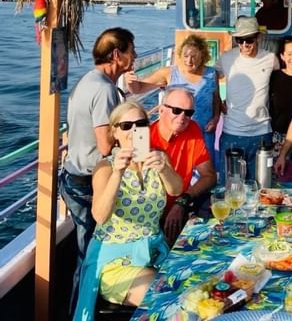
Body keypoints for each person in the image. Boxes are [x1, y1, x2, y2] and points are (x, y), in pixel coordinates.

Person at [73, 101, 183, 321]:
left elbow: (177, 189)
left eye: (140, 124)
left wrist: (163, 168)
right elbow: (100, 216)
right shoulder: (105, 167)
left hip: (153, 252)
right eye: (126, 126)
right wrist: (118, 173)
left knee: (194, 284)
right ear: (115, 132)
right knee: (166, 297)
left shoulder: (158, 158)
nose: (134, 131)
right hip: (115, 262)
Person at [59, 27, 136, 312]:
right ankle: (79, 312)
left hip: (73, 176)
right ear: (117, 54)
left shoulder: (89, 81)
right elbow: (105, 146)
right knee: (90, 256)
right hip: (87, 184)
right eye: (131, 50)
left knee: (87, 253)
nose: (135, 55)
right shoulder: (104, 89)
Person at [127, 34, 221, 166]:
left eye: (193, 56)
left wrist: (216, 118)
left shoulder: (212, 74)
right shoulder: (170, 73)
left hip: (204, 132)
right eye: (185, 56)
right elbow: (138, 89)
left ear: (202, 56)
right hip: (177, 133)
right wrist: (130, 82)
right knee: (177, 168)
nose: (189, 61)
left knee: (205, 171)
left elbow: (216, 99)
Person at [150, 87, 217, 243]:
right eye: (176, 110)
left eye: (188, 113)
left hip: (181, 206)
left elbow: (209, 175)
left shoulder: (192, 128)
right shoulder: (146, 138)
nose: (182, 117)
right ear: (161, 110)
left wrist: (183, 201)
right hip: (151, 216)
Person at [216, 16, 279, 181]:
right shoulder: (226, 58)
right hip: (232, 132)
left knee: (261, 187)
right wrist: (218, 101)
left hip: (262, 133)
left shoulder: (271, 59)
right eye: (240, 40)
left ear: (258, 37)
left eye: (248, 39)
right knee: (229, 187)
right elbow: (210, 78)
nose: (244, 44)